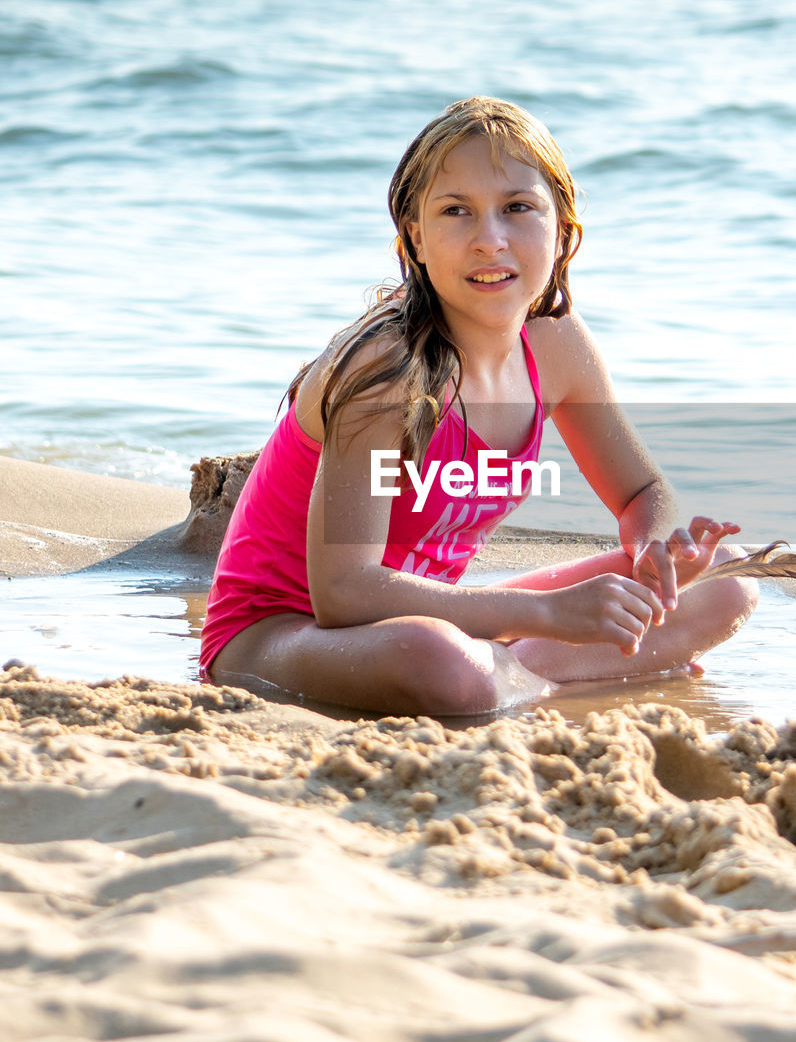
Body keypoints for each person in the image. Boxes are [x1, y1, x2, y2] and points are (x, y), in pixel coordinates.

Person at [200, 96, 757, 714]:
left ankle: (518, 677)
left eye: (518, 208)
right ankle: (551, 678)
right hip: (282, 635)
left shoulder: (557, 346)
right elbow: (345, 595)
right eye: (456, 211)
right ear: (416, 236)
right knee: (435, 659)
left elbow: (641, 492)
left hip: (431, 614)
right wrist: (546, 614)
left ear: (562, 227)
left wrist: (658, 546)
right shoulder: (387, 375)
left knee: (727, 579)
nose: (490, 240)